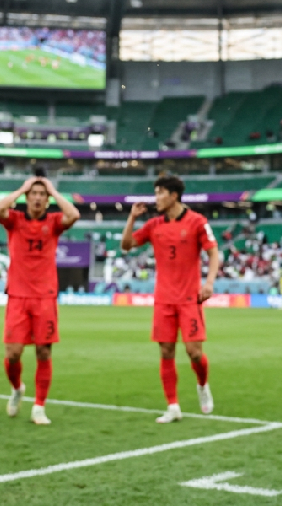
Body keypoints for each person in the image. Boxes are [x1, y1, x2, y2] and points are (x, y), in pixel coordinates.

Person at [120, 175, 221, 423]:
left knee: (194, 353)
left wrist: (209, 283)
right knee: (166, 351)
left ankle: (202, 384)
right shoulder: (154, 225)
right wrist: (132, 218)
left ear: (174, 196)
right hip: (164, 299)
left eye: (160, 193)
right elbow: (126, 245)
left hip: (189, 299)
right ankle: (172, 406)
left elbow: (213, 252)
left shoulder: (197, 222)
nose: (156, 198)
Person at [0, 171, 80, 425]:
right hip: (18, 295)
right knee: (13, 353)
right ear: (27, 198)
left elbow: (74, 214)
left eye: (42, 195)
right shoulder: (15, 220)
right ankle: (17, 388)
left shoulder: (53, 222)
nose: (38, 198)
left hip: (45, 295)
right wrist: (22, 189)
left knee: (43, 351)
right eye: (34, 194)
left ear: (47, 199)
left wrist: (53, 191)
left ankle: (39, 407)